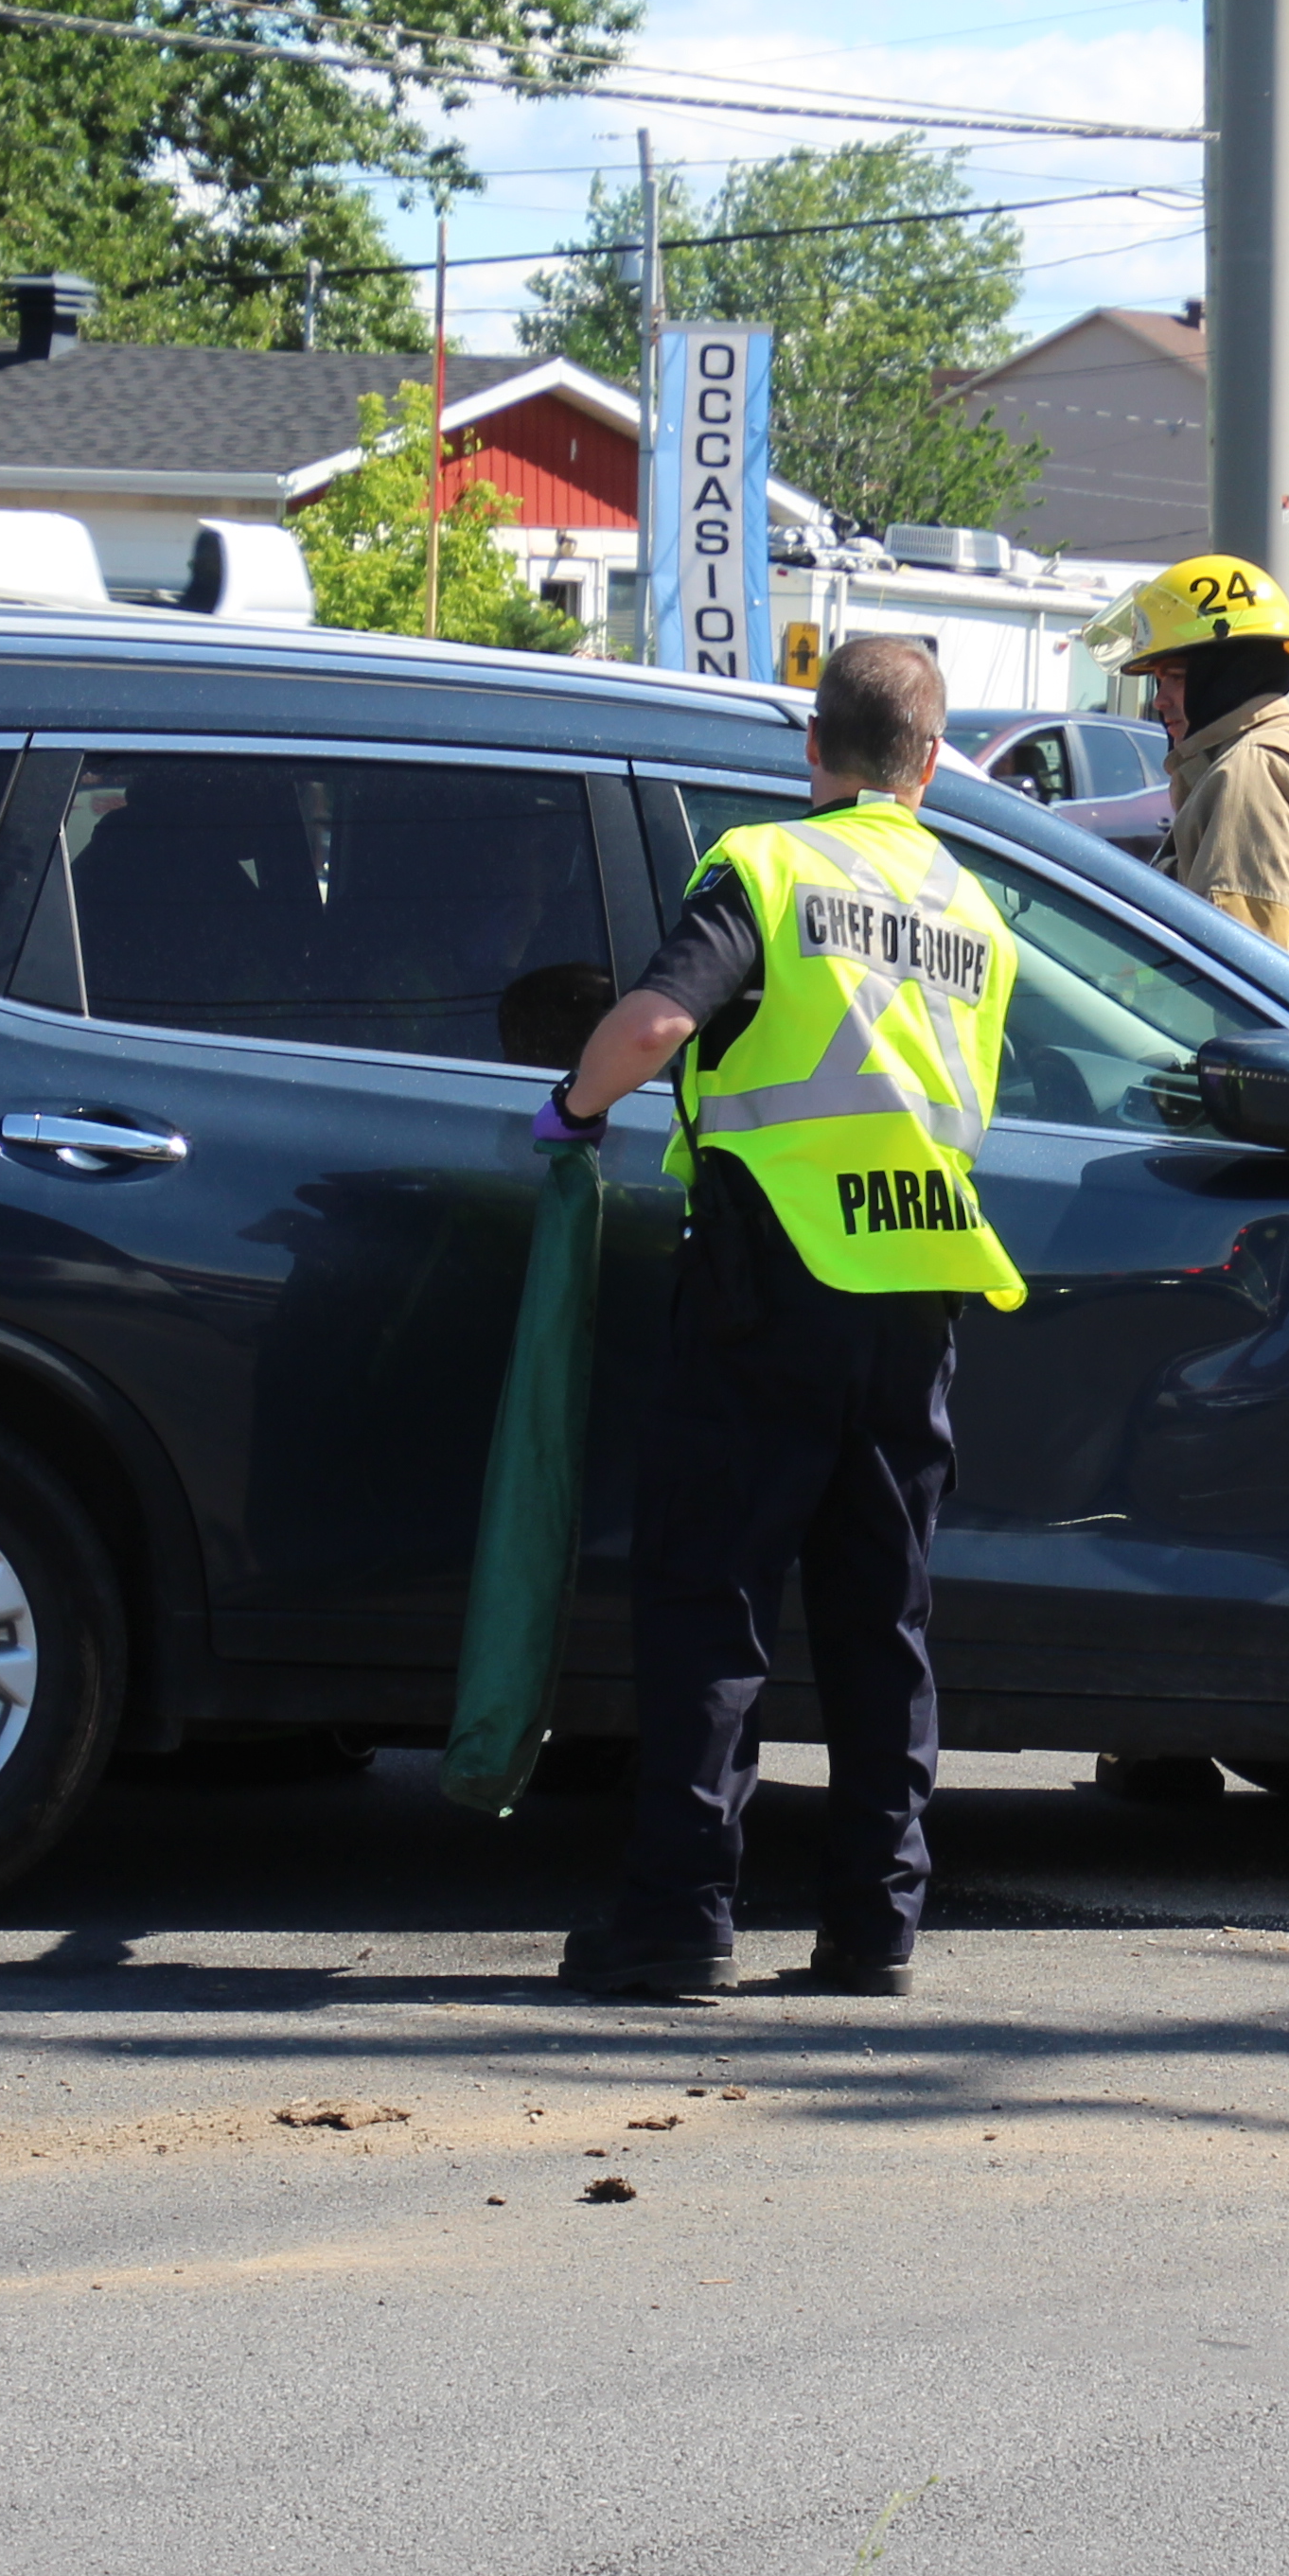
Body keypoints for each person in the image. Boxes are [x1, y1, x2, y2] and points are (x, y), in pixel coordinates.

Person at [535, 636, 1025, 2003]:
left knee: (712, 1606)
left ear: (813, 750)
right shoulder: (976, 915)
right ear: (930, 767)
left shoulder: (767, 867)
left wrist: (572, 1110)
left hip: (768, 1287)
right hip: (914, 1300)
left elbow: (646, 1032)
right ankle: (876, 1928)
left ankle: (680, 1921)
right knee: (884, 1623)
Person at [1094, 552, 1289, 974]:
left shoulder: (1250, 774)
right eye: (1158, 679)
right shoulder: (1274, 758)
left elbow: (1236, 977)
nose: (1159, 699)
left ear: (1226, 672)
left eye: (1178, 676)